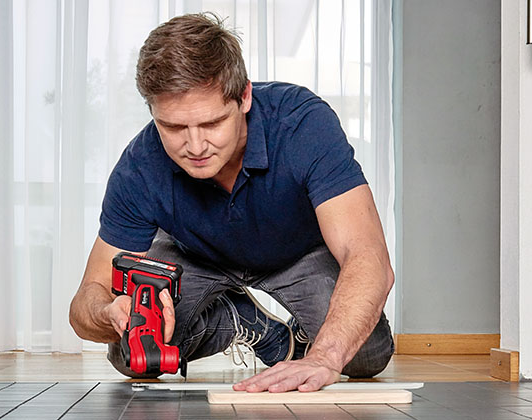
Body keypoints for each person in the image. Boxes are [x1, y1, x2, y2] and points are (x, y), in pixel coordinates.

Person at [69, 12, 394, 393]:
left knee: (362, 357)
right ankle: (248, 323)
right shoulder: (139, 166)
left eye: (211, 123)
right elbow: (86, 299)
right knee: (134, 355)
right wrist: (109, 314)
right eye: (173, 127)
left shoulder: (303, 123)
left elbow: (368, 256)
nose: (194, 146)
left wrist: (324, 356)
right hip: (194, 258)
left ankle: (301, 344)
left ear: (244, 98)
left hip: (297, 253)